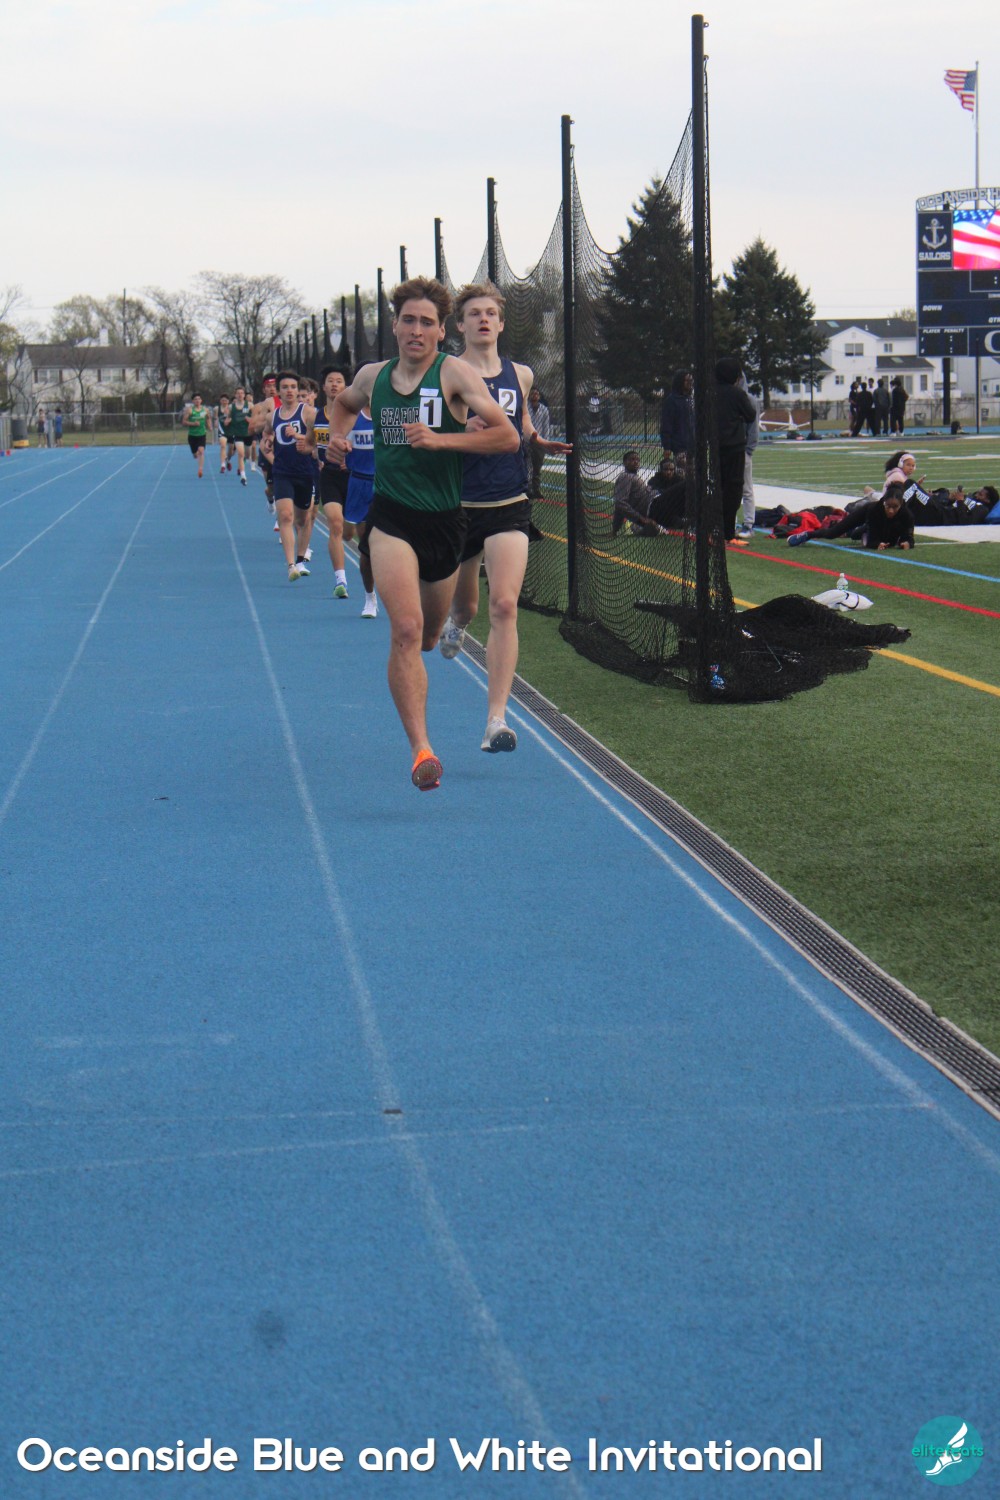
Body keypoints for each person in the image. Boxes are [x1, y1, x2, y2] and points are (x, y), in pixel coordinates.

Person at [328, 275, 520, 790]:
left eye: (427, 323)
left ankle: (440, 633)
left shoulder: (454, 373)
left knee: (430, 636)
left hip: (445, 522)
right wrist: (335, 440)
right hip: (392, 518)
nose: (416, 330)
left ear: (440, 332)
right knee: (407, 630)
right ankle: (421, 750)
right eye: (408, 320)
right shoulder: (373, 377)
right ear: (394, 326)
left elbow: (507, 436)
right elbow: (342, 406)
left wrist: (442, 441)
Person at [436, 282, 571, 753]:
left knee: (505, 606)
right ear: (460, 325)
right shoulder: (447, 373)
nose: (483, 320)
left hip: (509, 503)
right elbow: (433, 428)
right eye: (474, 313)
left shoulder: (522, 374)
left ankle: (496, 720)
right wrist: (461, 425)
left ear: (501, 323)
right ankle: (456, 622)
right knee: (467, 607)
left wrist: (537, 440)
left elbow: (522, 423)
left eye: (491, 313)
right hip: (460, 504)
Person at [270, 371, 317, 581]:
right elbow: (266, 433)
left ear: (298, 390)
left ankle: (300, 559)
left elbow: (318, 440)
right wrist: (266, 443)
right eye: (285, 387)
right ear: (278, 392)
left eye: (293, 387)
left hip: (304, 472)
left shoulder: (308, 413)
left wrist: (300, 437)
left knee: (303, 519)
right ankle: (291, 565)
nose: (289, 391)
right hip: (282, 473)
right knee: (285, 516)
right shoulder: (273, 416)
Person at [311, 367, 352, 598]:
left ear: (346, 387)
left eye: (339, 381)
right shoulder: (316, 417)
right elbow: (310, 443)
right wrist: (314, 453)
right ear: (324, 387)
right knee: (335, 524)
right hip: (329, 475)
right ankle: (340, 580)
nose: (335, 384)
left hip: (353, 477)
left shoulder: (354, 415)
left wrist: (352, 460)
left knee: (349, 533)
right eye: (330, 381)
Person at [789, 482, 915, 550]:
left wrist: (906, 543)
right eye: (888, 506)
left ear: (901, 505)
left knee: (859, 536)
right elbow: (872, 540)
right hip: (867, 514)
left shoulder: (907, 515)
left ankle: (861, 531)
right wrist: (877, 544)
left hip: (884, 525)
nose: (891, 511)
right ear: (884, 502)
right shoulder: (874, 509)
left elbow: (908, 536)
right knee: (832, 533)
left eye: (895, 507)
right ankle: (808, 535)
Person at [715, 356, 757, 542]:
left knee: (718, 488)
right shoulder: (737, 394)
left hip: (715, 447)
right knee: (734, 490)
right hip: (735, 448)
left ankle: (715, 529)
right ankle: (728, 533)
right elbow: (750, 415)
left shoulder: (710, 394)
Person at [611, 451, 662, 537]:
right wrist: (641, 519)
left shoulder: (634, 476)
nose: (636, 462)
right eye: (632, 459)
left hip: (655, 507)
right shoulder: (626, 476)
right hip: (654, 507)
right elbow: (620, 503)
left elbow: (620, 505)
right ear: (625, 462)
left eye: (638, 460)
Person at [737, 372, 761, 540]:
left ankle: (748, 524)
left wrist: (748, 450)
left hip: (742, 450)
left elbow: (753, 428)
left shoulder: (749, 400)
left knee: (746, 488)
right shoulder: (724, 398)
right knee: (728, 489)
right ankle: (729, 523)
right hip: (728, 449)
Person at [659, 370, 694, 463]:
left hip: (693, 445)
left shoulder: (690, 399)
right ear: (680, 382)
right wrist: (667, 446)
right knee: (681, 469)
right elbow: (666, 424)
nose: (690, 383)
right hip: (680, 446)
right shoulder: (672, 400)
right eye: (687, 380)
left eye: (691, 380)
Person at [526, 387, 551, 499]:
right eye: (533, 394)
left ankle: (536, 489)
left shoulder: (544, 410)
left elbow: (546, 427)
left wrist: (546, 442)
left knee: (537, 468)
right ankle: (528, 489)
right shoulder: (526, 408)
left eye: (536, 394)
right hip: (528, 441)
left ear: (539, 396)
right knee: (528, 465)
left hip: (539, 442)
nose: (535, 396)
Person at [229, 386, 252, 485]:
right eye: (238, 393)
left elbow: (256, 418)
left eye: (242, 393)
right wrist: (227, 421)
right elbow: (227, 419)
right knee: (241, 453)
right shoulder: (231, 407)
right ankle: (243, 476)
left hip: (248, 433)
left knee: (247, 455)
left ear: (244, 395)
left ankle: (243, 463)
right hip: (237, 433)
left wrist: (250, 420)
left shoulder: (250, 405)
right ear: (235, 395)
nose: (240, 395)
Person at [183, 394, 209, 477]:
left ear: (201, 400)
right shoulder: (190, 410)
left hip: (202, 434)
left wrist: (210, 426)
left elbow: (208, 418)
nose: (197, 400)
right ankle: (195, 454)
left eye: (199, 399)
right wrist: (193, 424)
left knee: (201, 451)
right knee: (195, 454)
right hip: (192, 435)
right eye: (195, 399)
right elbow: (184, 422)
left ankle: (200, 469)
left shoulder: (205, 410)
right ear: (193, 401)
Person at [217, 394, 234, 474]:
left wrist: (230, 420)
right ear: (220, 401)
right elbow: (215, 418)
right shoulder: (217, 409)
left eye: (225, 400)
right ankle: (223, 465)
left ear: (228, 401)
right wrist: (215, 422)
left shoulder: (232, 409)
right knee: (223, 446)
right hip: (222, 431)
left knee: (231, 450)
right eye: (222, 400)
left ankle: (227, 460)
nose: (224, 402)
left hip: (231, 431)